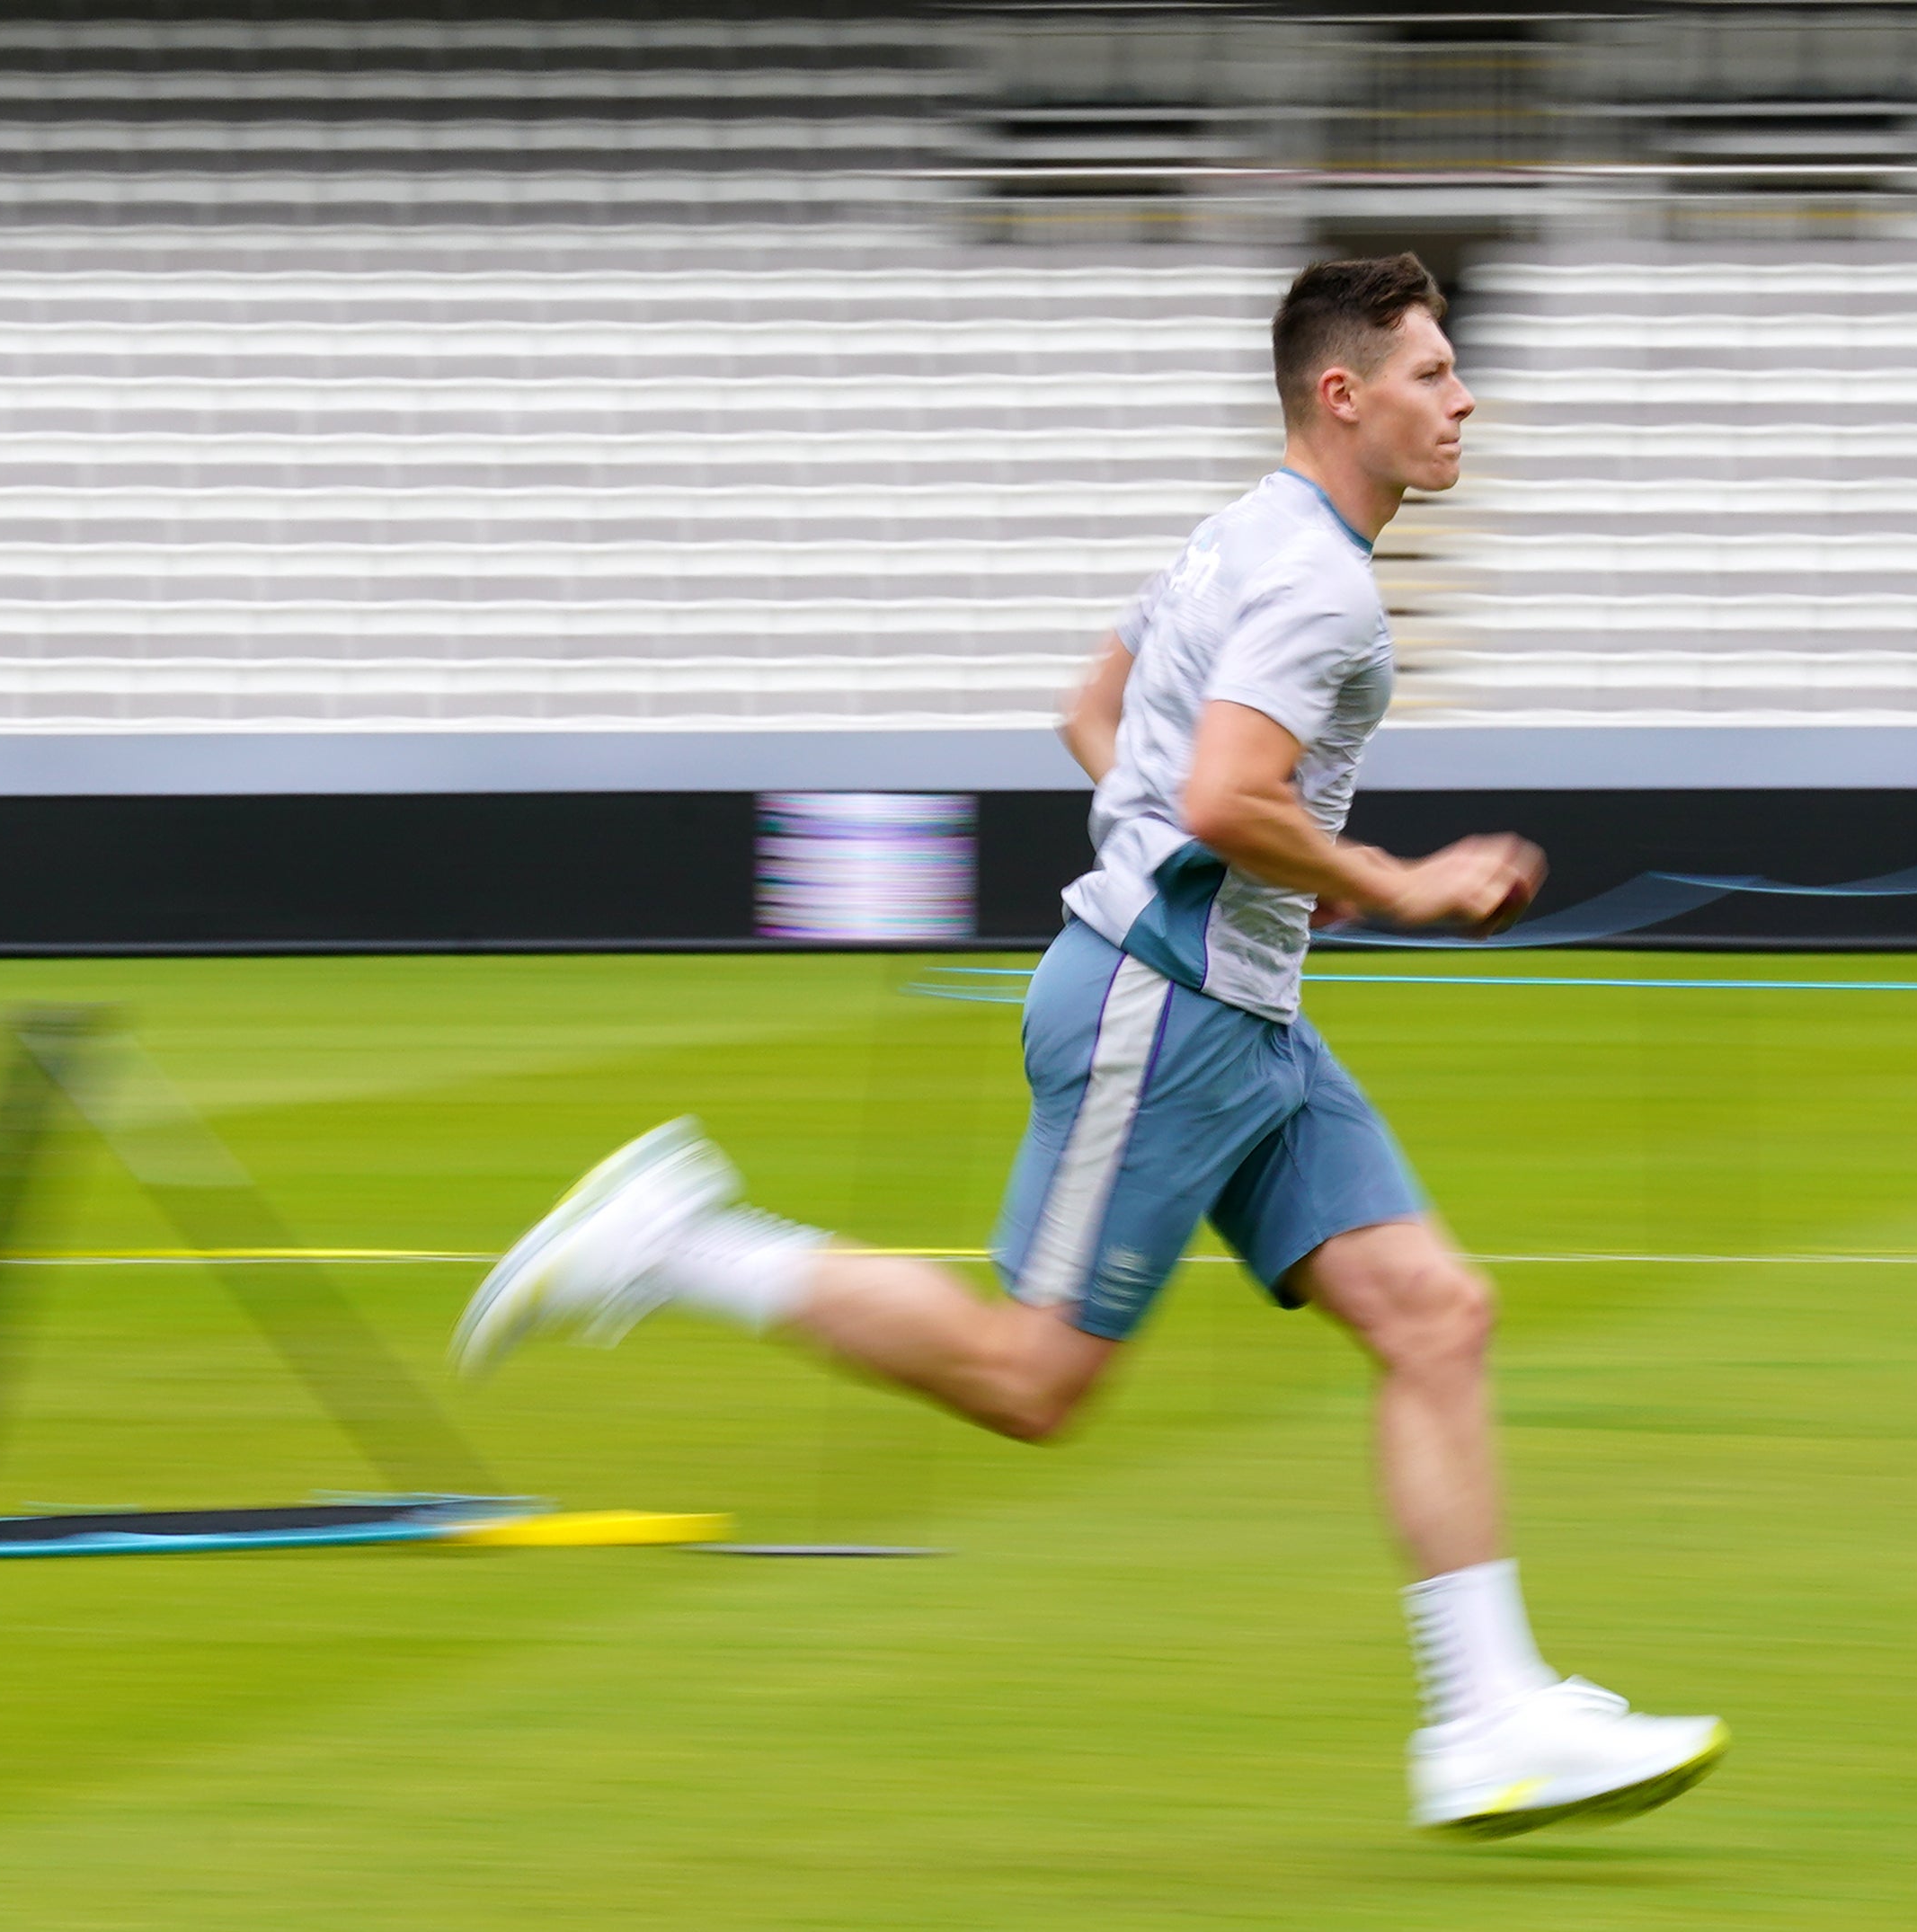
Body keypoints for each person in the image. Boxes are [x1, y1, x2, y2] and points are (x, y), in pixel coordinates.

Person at [454, 253, 1726, 1836]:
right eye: (1431, 374)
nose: (1464, 399)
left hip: (1236, 1003)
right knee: (1030, 1381)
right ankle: (681, 1243)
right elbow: (1217, 797)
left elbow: (1096, 712)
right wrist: (1385, 883)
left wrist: (1248, 875)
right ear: (1345, 395)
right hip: (1166, 1011)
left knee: (1433, 1313)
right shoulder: (1320, 585)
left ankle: (1489, 1717)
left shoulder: (1237, 538)